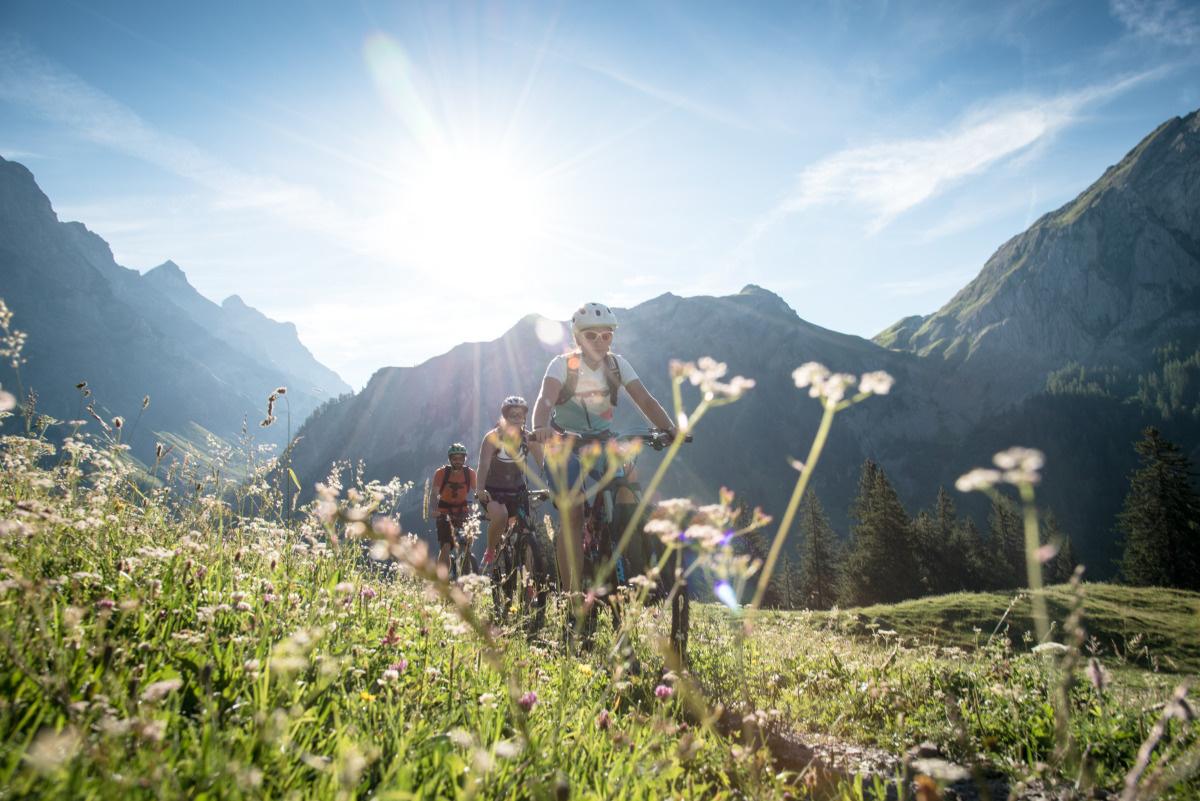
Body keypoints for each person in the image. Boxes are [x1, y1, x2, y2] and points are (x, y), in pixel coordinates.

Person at [530, 302, 678, 593]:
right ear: (577, 338)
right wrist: (540, 428)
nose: (599, 341)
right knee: (571, 513)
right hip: (564, 443)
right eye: (591, 336)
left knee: (627, 492)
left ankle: (632, 569)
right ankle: (571, 593)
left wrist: (670, 429)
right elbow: (545, 401)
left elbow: (645, 400)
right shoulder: (562, 365)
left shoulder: (617, 365)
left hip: (601, 440)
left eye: (606, 335)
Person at [476, 395, 543, 566]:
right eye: (512, 415)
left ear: (524, 418)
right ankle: (491, 550)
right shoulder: (492, 438)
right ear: (505, 417)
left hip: (518, 490)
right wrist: (480, 489)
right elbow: (483, 466)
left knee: (528, 532)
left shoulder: (529, 438)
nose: (517, 419)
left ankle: (529, 582)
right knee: (501, 516)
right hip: (493, 491)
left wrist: (554, 484)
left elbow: (544, 463)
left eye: (520, 415)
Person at [428, 443, 477, 571]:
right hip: (443, 512)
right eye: (455, 458)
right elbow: (434, 494)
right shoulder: (441, 473)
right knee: (445, 546)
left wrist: (488, 508)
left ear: (465, 459)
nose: (458, 461)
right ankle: (442, 580)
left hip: (463, 512)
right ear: (450, 460)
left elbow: (479, 493)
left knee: (466, 547)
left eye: (461, 458)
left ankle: (466, 578)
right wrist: (433, 510)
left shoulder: (470, 473)